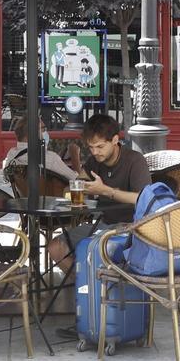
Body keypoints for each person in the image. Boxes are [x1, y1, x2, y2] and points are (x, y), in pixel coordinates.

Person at [47, 114, 149, 274]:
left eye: (100, 147)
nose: (95, 152)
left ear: (115, 140)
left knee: (92, 249)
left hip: (131, 227)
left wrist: (104, 191)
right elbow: (75, 185)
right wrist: (76, 189)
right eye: (91, 147)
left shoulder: (134, 161)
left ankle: (97, 286)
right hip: (102, 225)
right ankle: (86, 289)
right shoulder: (95, 162)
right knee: (55, 248)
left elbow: (143, 199)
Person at [1, 117, 79, 181]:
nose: (46, 133)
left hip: (22, 199)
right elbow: (77, 180)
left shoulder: (12, 154)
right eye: (43, 130)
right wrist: (75, 156)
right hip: (50, 199)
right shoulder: (51, 158)